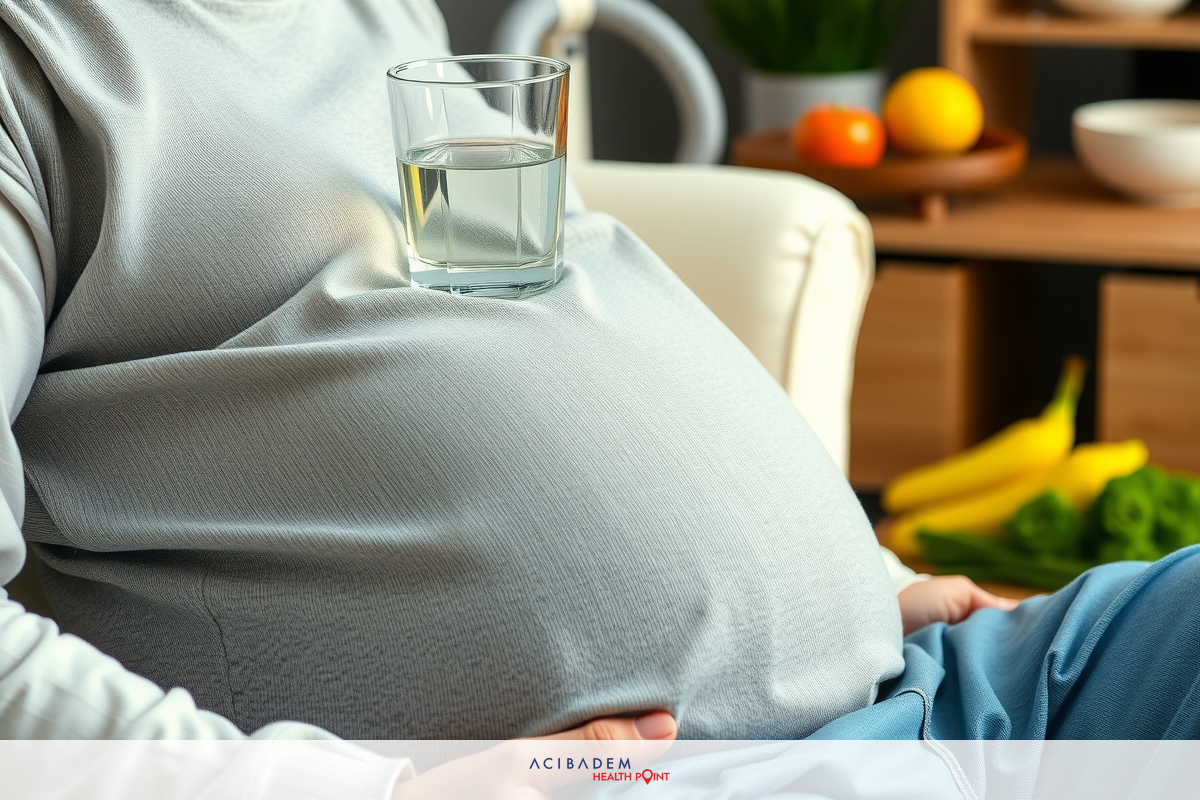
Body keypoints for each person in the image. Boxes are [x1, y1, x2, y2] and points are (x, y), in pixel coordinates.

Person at [3, 0, 1199, 797]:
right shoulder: (35, 67)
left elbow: (532, 345)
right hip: (704, 774)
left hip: (959, 675)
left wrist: (866, 579)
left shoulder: (363, 9)